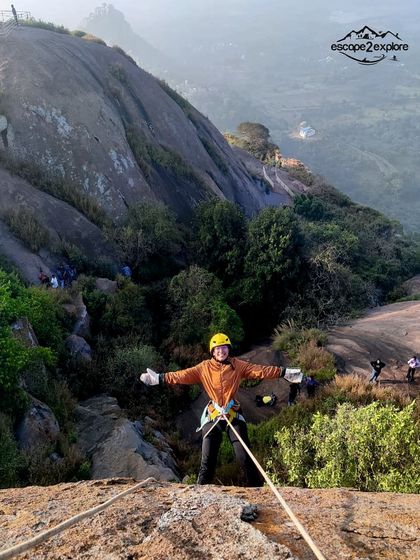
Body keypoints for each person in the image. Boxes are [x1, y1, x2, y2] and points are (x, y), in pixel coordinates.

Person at [140, 332, 302, 487]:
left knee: (244, 458)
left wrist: (284, 372)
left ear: (228, 349)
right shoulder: (204, 368)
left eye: (224, 347)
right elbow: (181, 375)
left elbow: (260, 370)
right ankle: (200, 494)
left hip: (233, 412)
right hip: (214, 415)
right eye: (217, 348)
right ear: (212, 351)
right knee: (207, 462)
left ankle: (257, 491)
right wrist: (159, 378)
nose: (221, 351)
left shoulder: (237, 365)